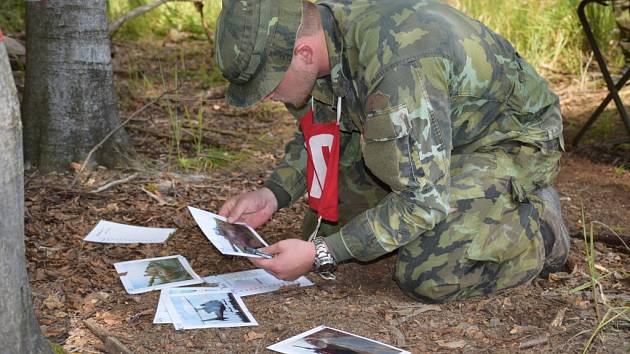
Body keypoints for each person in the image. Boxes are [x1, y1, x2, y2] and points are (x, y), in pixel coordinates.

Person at [214, 0, 570, 303]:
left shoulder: (399, 68)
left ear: (303, 52)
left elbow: (421, 201)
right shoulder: (326, 33)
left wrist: (325, 253)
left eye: (269, 85)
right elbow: (320, 129)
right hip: (430, 133)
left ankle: (539, 226)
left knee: (431, 272)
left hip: (507, 140)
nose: (266, 97)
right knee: (333, 221)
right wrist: (272, 194)